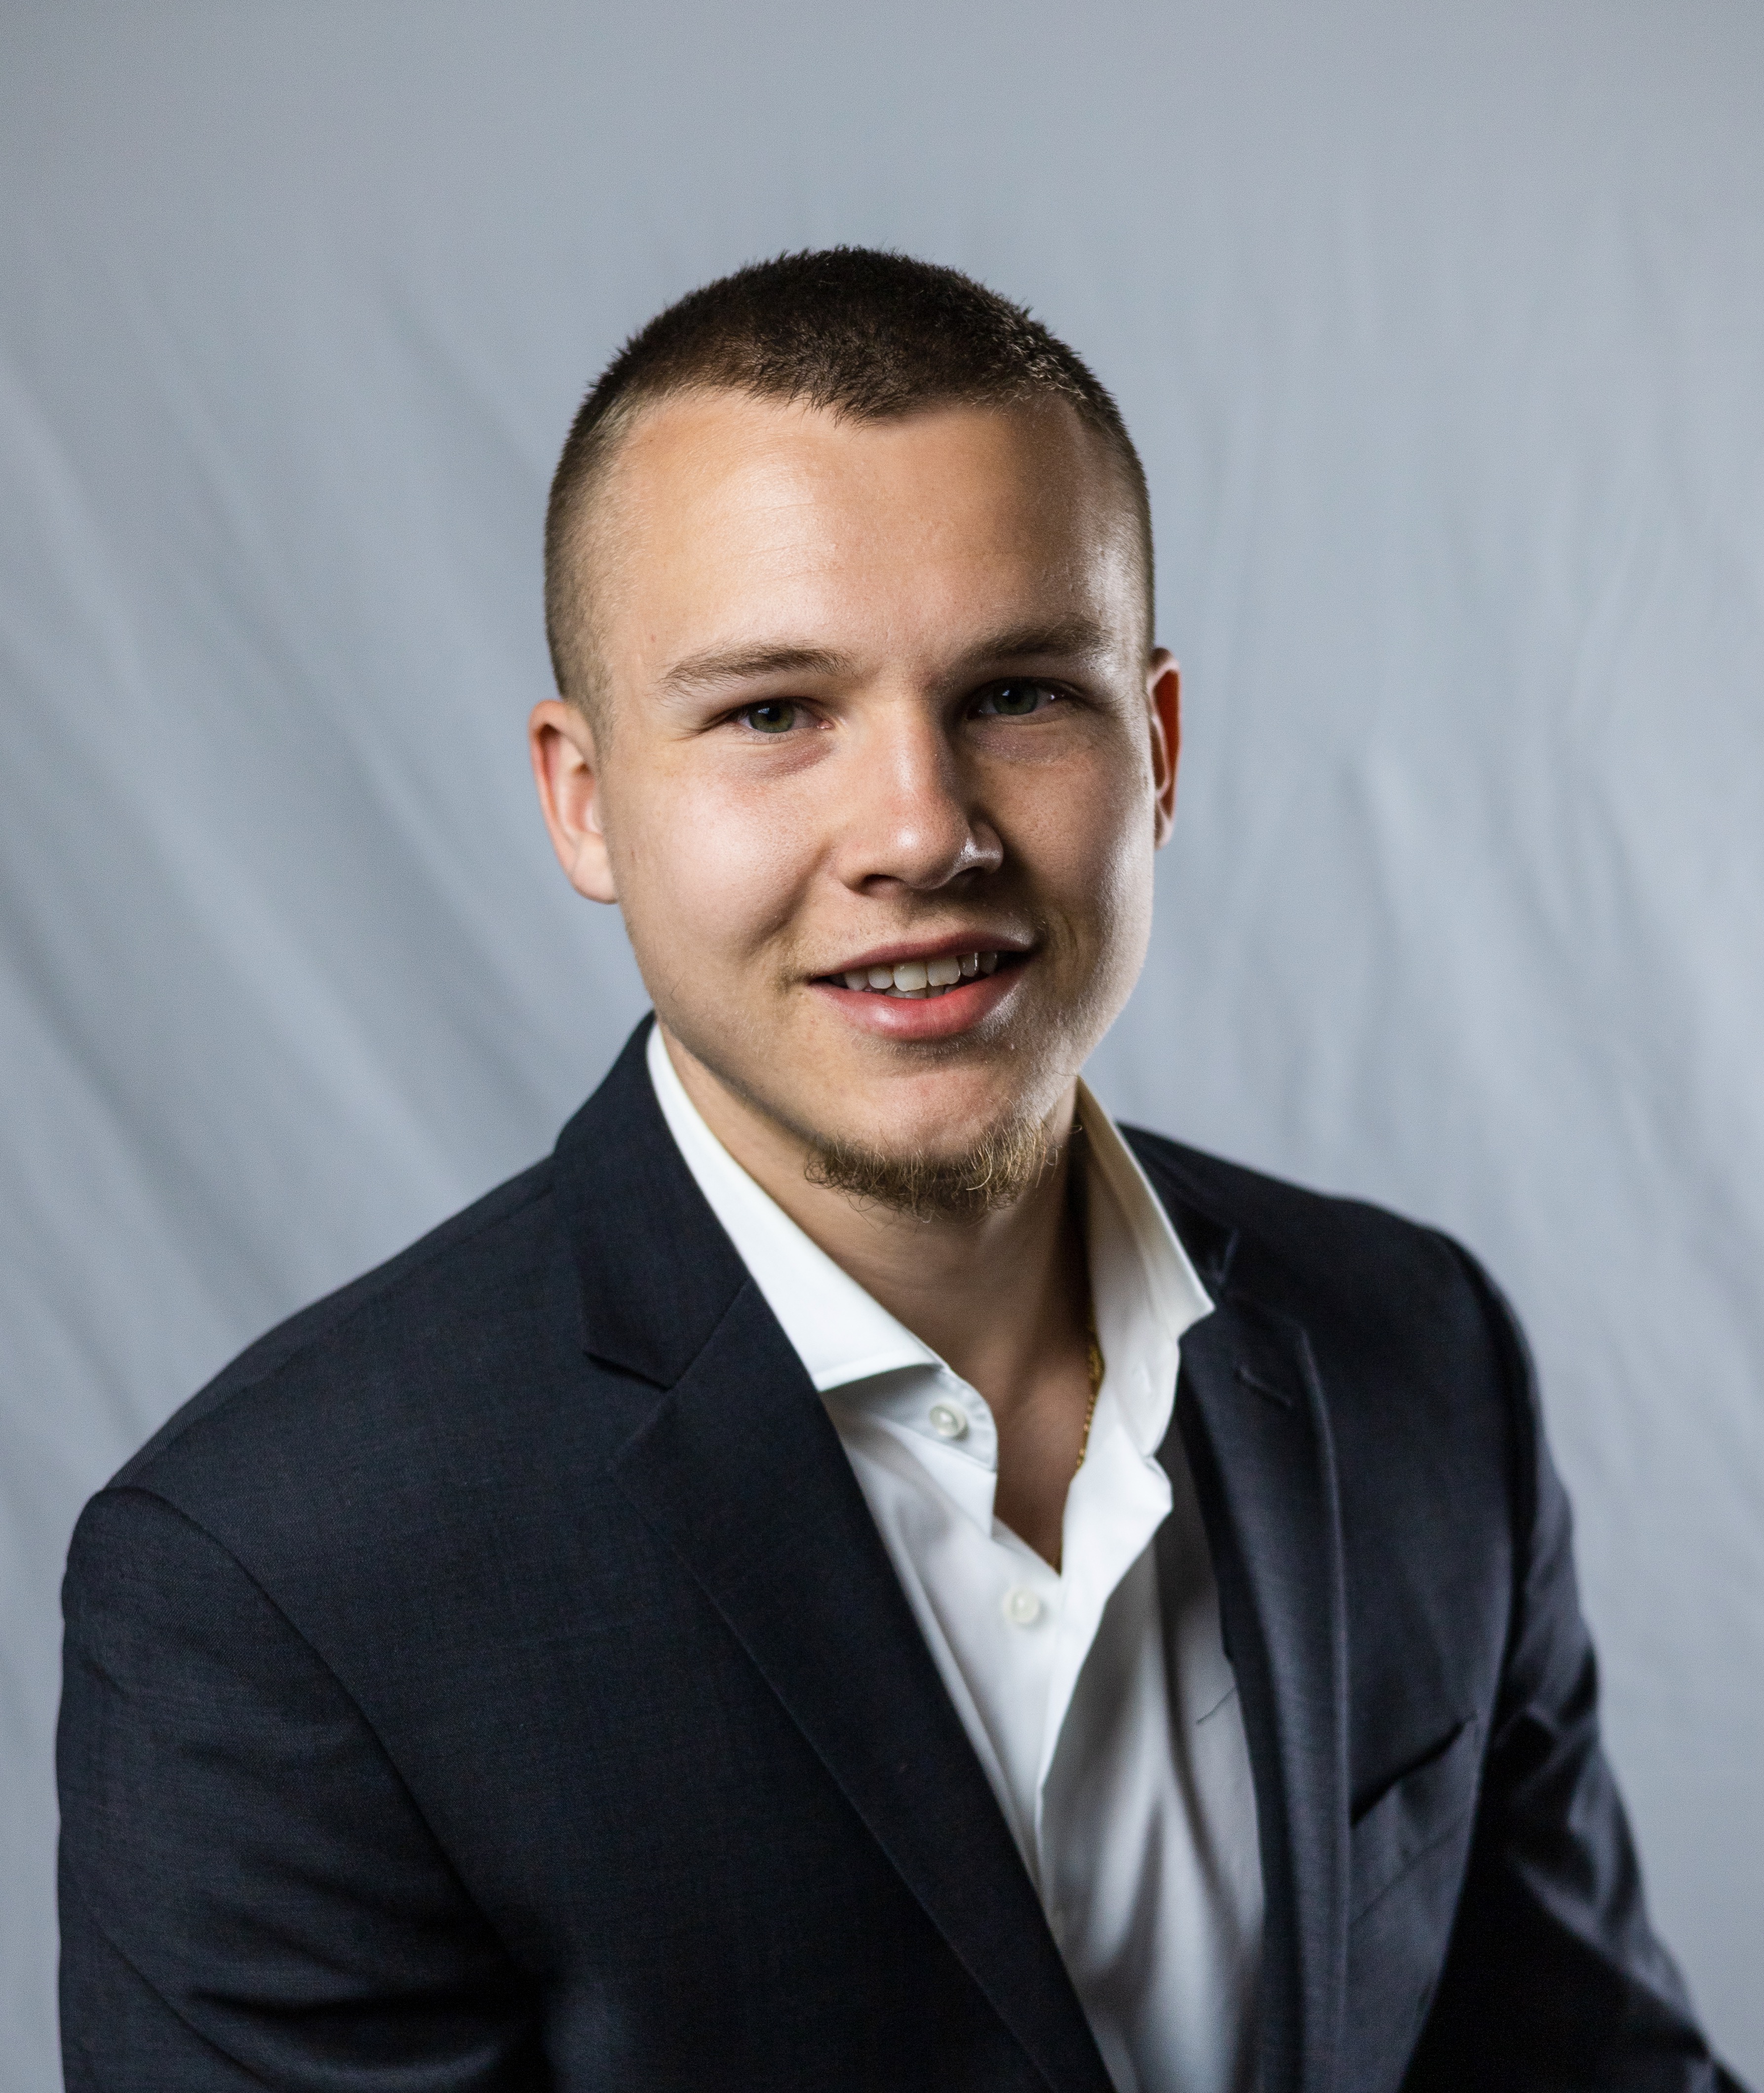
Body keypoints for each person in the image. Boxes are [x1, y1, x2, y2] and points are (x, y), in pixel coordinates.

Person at [57, 249, 1740, 2093]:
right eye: (774, 712)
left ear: (1157, 749)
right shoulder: (275, 1585)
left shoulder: (1419, 1349)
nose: (924, 832)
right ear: (584, 801)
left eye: (1017, 693)